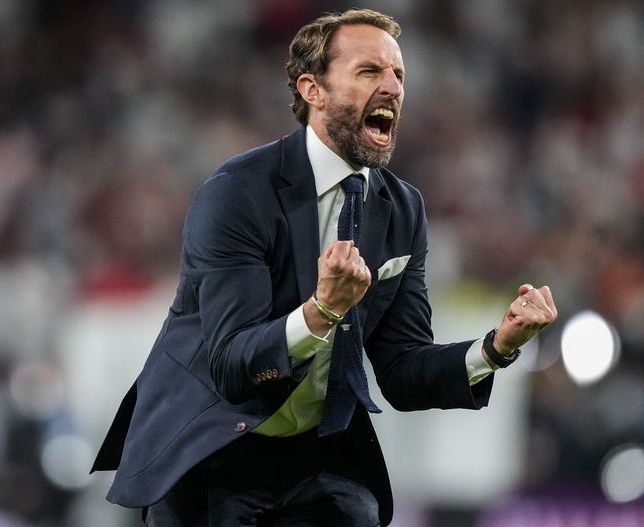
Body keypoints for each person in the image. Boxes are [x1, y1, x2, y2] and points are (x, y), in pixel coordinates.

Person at [92, 8, 557, 526]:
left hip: (320, 459)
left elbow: (401, 369)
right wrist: (321, 312)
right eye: (369, 72)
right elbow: (231, 364)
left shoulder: (402, 210)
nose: (392, 88)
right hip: (214, 448)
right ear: (313, 89)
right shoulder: (237, 194)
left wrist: (497, 347)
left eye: (398, 74)